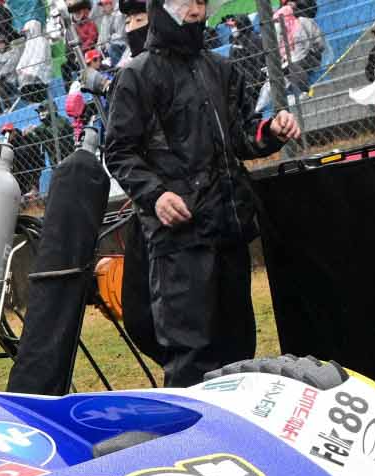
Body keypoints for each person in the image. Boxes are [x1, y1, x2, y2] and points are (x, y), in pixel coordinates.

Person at [106, 0, 298, 385]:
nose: (195, 10)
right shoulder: (138, 76)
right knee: (192, 358)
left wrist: (271, 131)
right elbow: (119, 151)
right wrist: (156, 196)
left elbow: (242, 136)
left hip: (229, 228)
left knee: (238, 350)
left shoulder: (221, 69)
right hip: (181, 240)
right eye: (185, 1)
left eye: (200, 1)